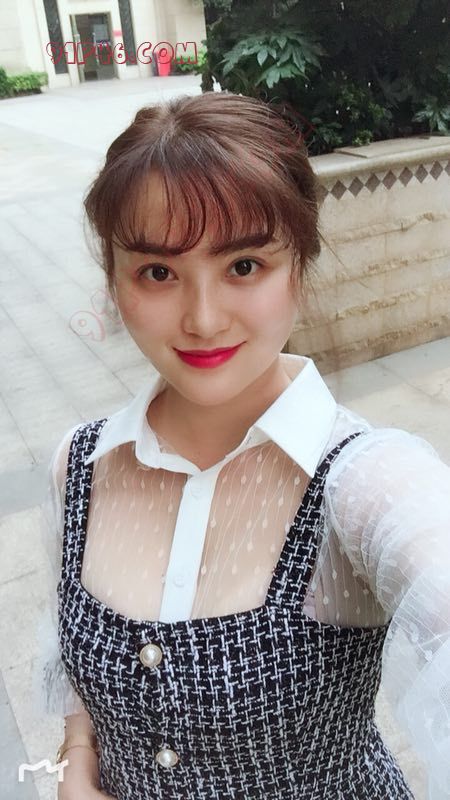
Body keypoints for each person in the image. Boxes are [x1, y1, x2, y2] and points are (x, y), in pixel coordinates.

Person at [35, 91, 450, 800]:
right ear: (114, 277)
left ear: (300, 267)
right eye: (158, 272)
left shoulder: (364, 480)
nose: (203, 319)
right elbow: (73, 660)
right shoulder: (79, 464)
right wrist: (76, 759)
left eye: (245, 266)